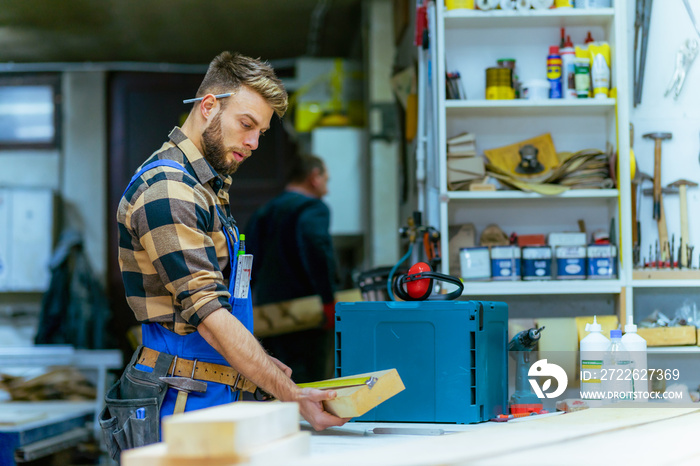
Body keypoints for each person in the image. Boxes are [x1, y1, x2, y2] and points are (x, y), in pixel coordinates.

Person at [105, 51, 348, 456]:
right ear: (208, 106)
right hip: (180, 397)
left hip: (214, 384)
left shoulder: (207, 188)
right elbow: (210, 316)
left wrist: (265, 368)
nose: (253, 143)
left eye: (261, 133)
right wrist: (288, 391)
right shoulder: (169, 189)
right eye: (247, 124)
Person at [246, 154, 336, 383]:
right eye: (326, 176)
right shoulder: (313, 208)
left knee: (279, 380)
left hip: (271, 315)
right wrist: (327, 300)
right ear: (314, 177)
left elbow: (248, 264)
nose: (329, 180)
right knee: (309, 383)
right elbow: (316, 248)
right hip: (306, 313)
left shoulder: (263, 212)